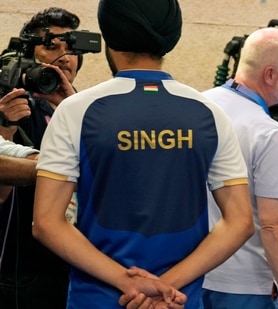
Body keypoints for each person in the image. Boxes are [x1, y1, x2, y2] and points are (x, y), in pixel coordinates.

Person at [32, 0, 254, 308]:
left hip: (102, 298)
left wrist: (130, 283)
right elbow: (240, 221)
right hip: (178, 300)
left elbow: (46, 222)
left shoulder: (75, 111)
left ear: (109, 35)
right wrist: (166, 286)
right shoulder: (209, 113)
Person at [200, 27, 278, 309]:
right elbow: (271, 225)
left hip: (190, 276)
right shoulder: (269, 134)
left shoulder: (194, 107)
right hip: (244, 284)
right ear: (270, 75)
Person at [0, 7, 84, 308]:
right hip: (19, 269)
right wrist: (5, 128)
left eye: (71, 48)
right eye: (52, 46)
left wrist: (73, 107)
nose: (65, 56)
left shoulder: (77, 105)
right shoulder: (10, 104)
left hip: (70, 261)